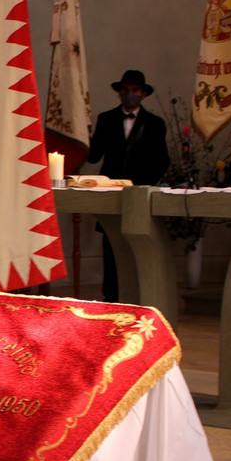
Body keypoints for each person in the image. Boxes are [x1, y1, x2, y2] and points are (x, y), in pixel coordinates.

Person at [86, 69, 169, 302]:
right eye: (125, 89)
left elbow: (162, 160)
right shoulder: (106, 119)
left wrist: (144, 187)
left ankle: (138, 294)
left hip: (138, 194)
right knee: (110, 243)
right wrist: (84, 134)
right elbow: (94, 155)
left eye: (134, 90)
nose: (129, 94)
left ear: (143, 94)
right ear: (119, 92)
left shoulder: (155, 123)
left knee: (138, 241)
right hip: (110, 192)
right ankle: (111, 296)